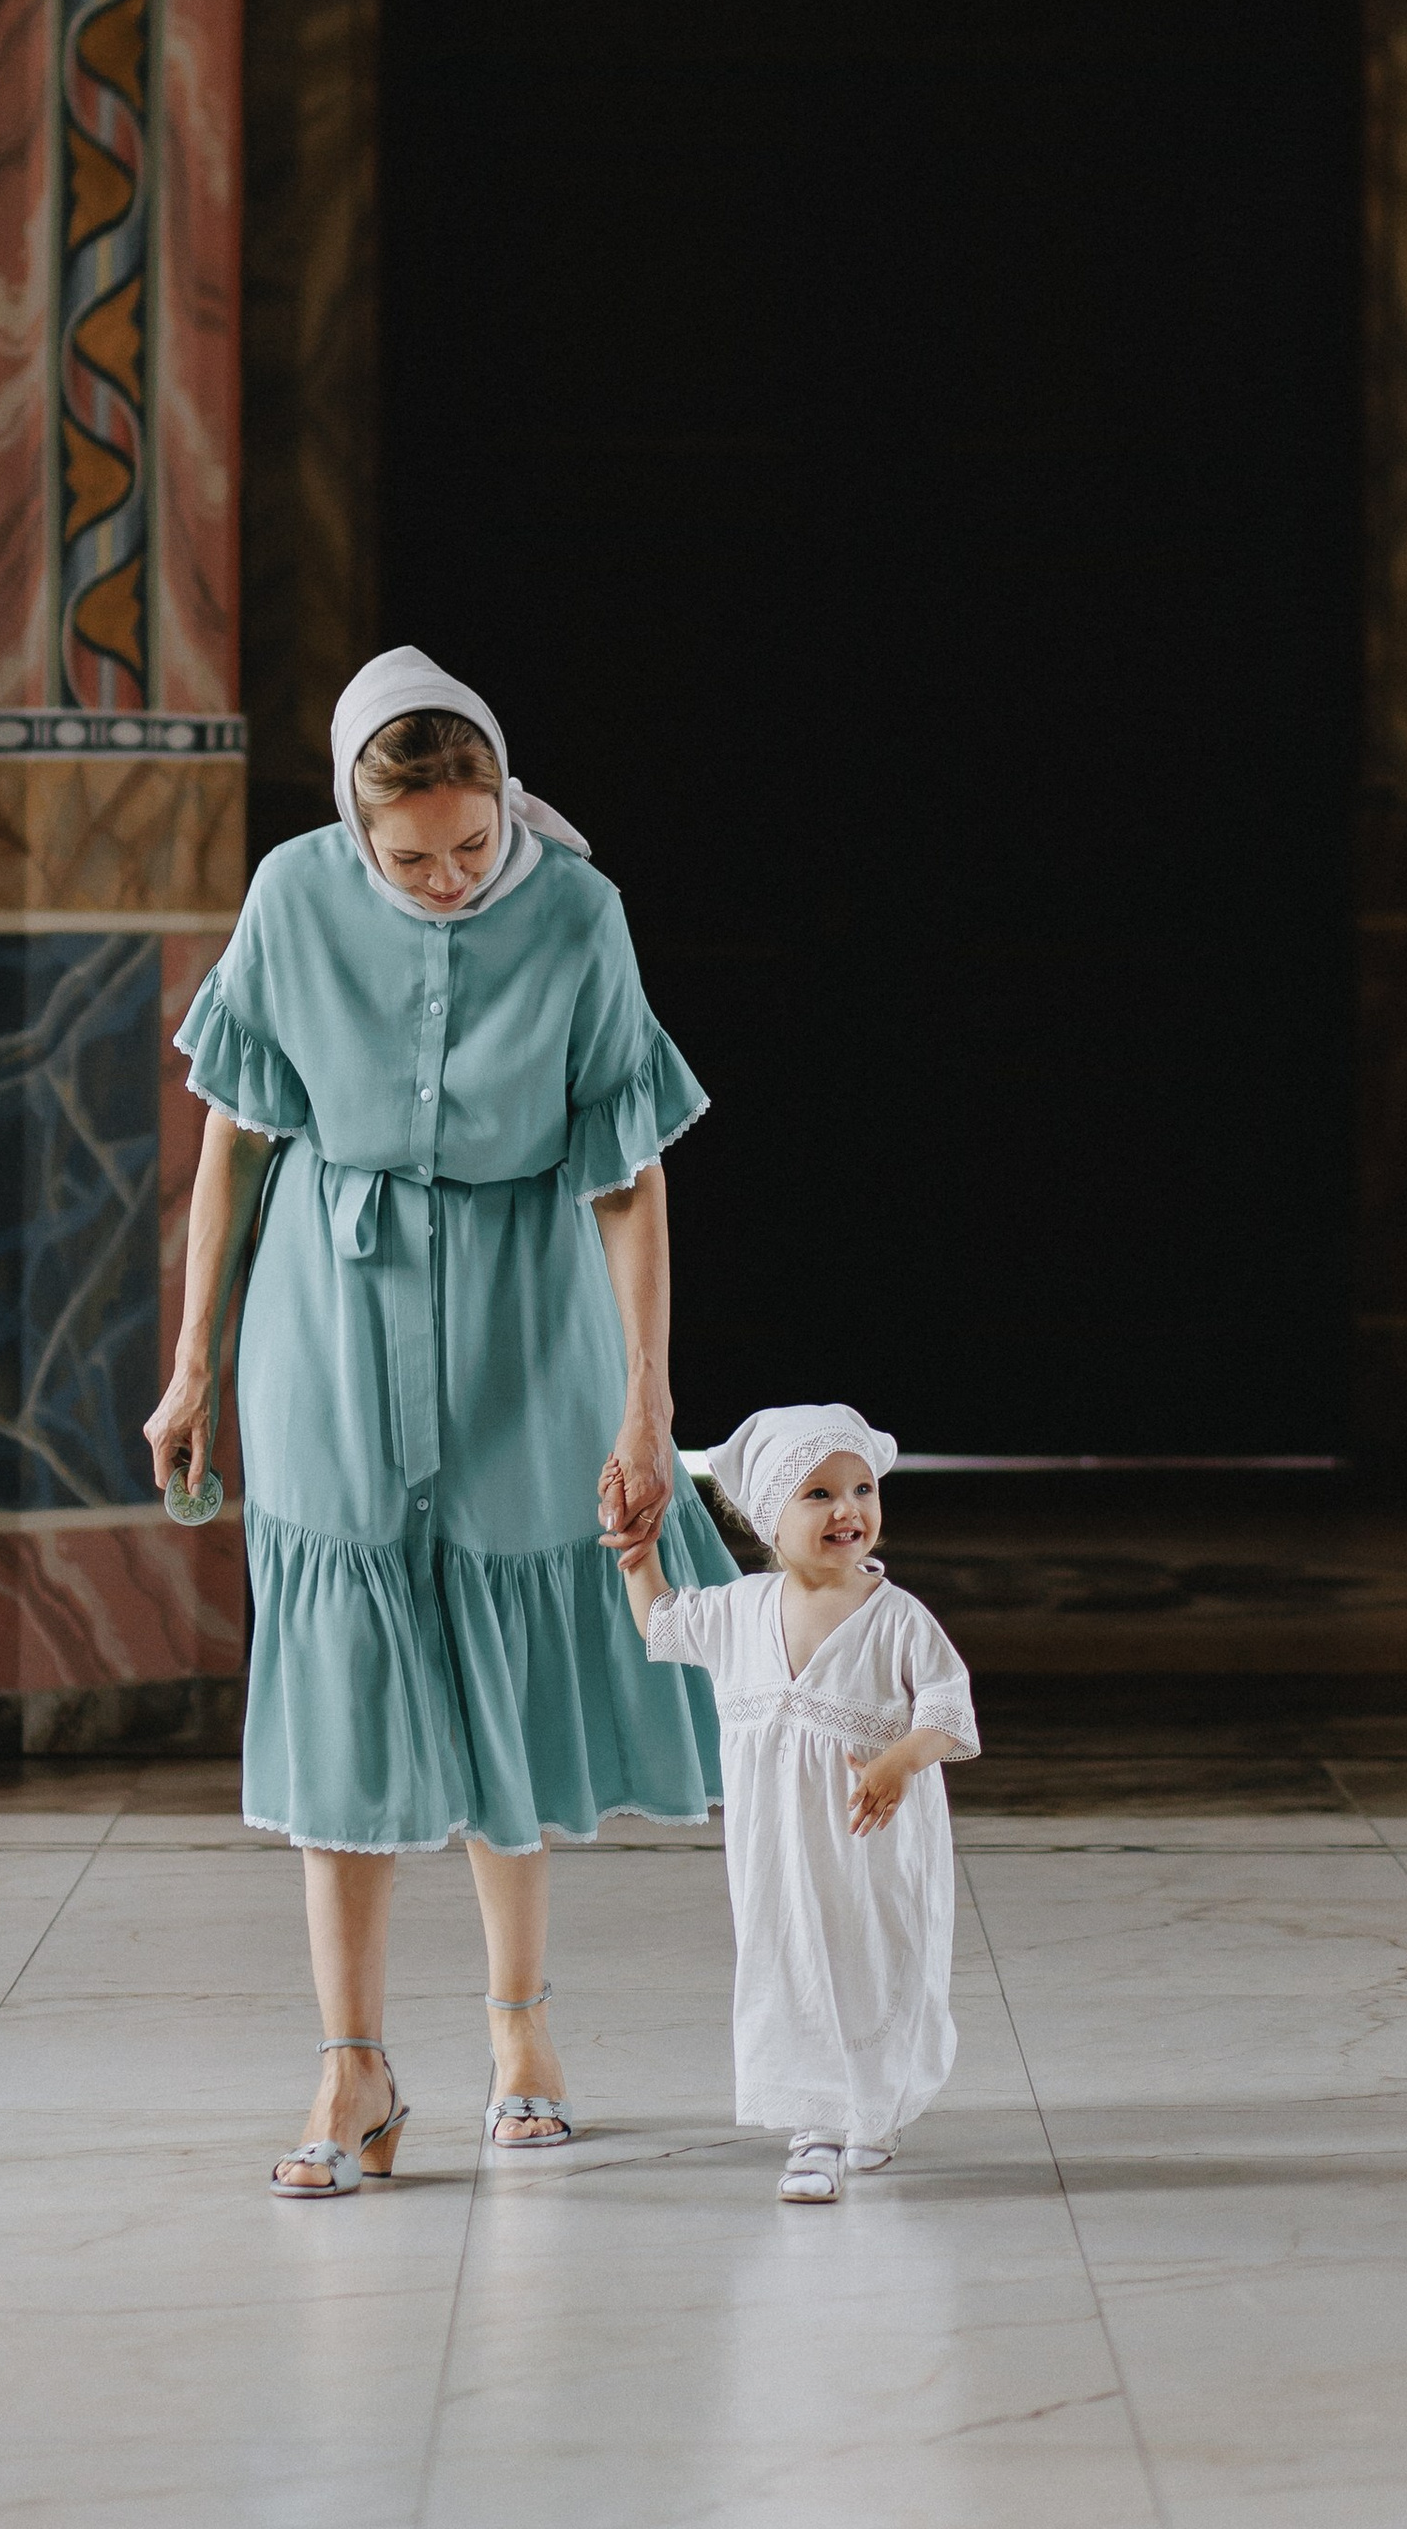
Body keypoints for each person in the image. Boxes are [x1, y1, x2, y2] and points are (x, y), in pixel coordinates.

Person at [145, 646, 737, 2197]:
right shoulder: (291, 896)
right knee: (343, 1667)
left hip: (525, 1310)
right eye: (409, 857)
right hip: (328, 1316)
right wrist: (194, 1360)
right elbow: (237, 1143)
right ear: (352, 818)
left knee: (503, 1651)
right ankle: (351, 2067)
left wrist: (646, 1394)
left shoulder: (579, 914)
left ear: (504, 801)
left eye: (475, 846)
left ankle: (521, 2031)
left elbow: (627, 1174)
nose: (450, 878)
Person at [618, 1402, 979, 2203]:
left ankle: (873, 2108)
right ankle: (814, 2127)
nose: (848, 1509)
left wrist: (898, 1764)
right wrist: (637, 1555)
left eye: (860, 1489)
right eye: (817, 1495)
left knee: (874, 1964)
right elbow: (665, 1623)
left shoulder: (897, 1620)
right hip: (777, 1854)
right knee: (790, 1965)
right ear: (766, 1520)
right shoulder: (742, 1611)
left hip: (871, 1847)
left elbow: (949, 1713)